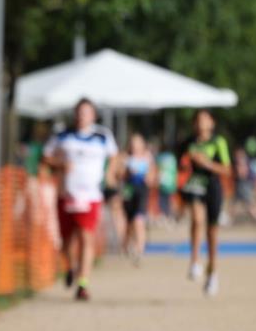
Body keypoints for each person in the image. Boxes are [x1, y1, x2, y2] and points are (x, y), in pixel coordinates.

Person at [42, 98, 118, 300]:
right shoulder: (62, 136)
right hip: (66, 195)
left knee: (86, 236)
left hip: (91, 195)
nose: (82, 116)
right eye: (79, 112)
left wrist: (109, 174)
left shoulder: (102, 136)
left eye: (86, 112)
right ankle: (72, 267)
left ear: (93, 115)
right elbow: (46, 157)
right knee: (66, 241)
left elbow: (114, 156)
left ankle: (83, 283)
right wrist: (60, 164)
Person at [179, 109, 231, 297]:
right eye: (198, 120)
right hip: (195, 185)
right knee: (197, 219)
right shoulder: (189, 143)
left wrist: (206, 163)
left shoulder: (218, 142)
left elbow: (227, 169)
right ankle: (194, 261)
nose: (201, 123)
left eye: (205, 119)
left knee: (212, 231)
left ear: (212, 123)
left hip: (213, 187)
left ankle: (213, 272)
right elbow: (180, 165)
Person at [120, 133, 155, 264]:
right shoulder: (125, 157)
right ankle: (127, 244)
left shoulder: (147, 157)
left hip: (142, 191)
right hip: (128, 191)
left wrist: (147, 176)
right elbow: (119, 174)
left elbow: (152, 177)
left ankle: (140, 249)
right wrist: (127, 172)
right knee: (129, 222)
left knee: (139, 220)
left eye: (137, 143)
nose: (135, 146)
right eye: (133, 143)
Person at [232, 147, 256, 223]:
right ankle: (230, 218)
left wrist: (236, 175)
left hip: (243, 183)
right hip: (243, 183)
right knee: (237, 202)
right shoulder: (244, 160)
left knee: (249, 202)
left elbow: (242, 173)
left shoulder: (241, 160)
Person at [156, 145, 178, 226]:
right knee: (170, 201)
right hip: (171, 183)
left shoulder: (160, 157)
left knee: (163, 201)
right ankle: (170, 217)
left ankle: (166, 216)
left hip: (163, 182)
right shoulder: (173, 158)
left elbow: (156, 168)